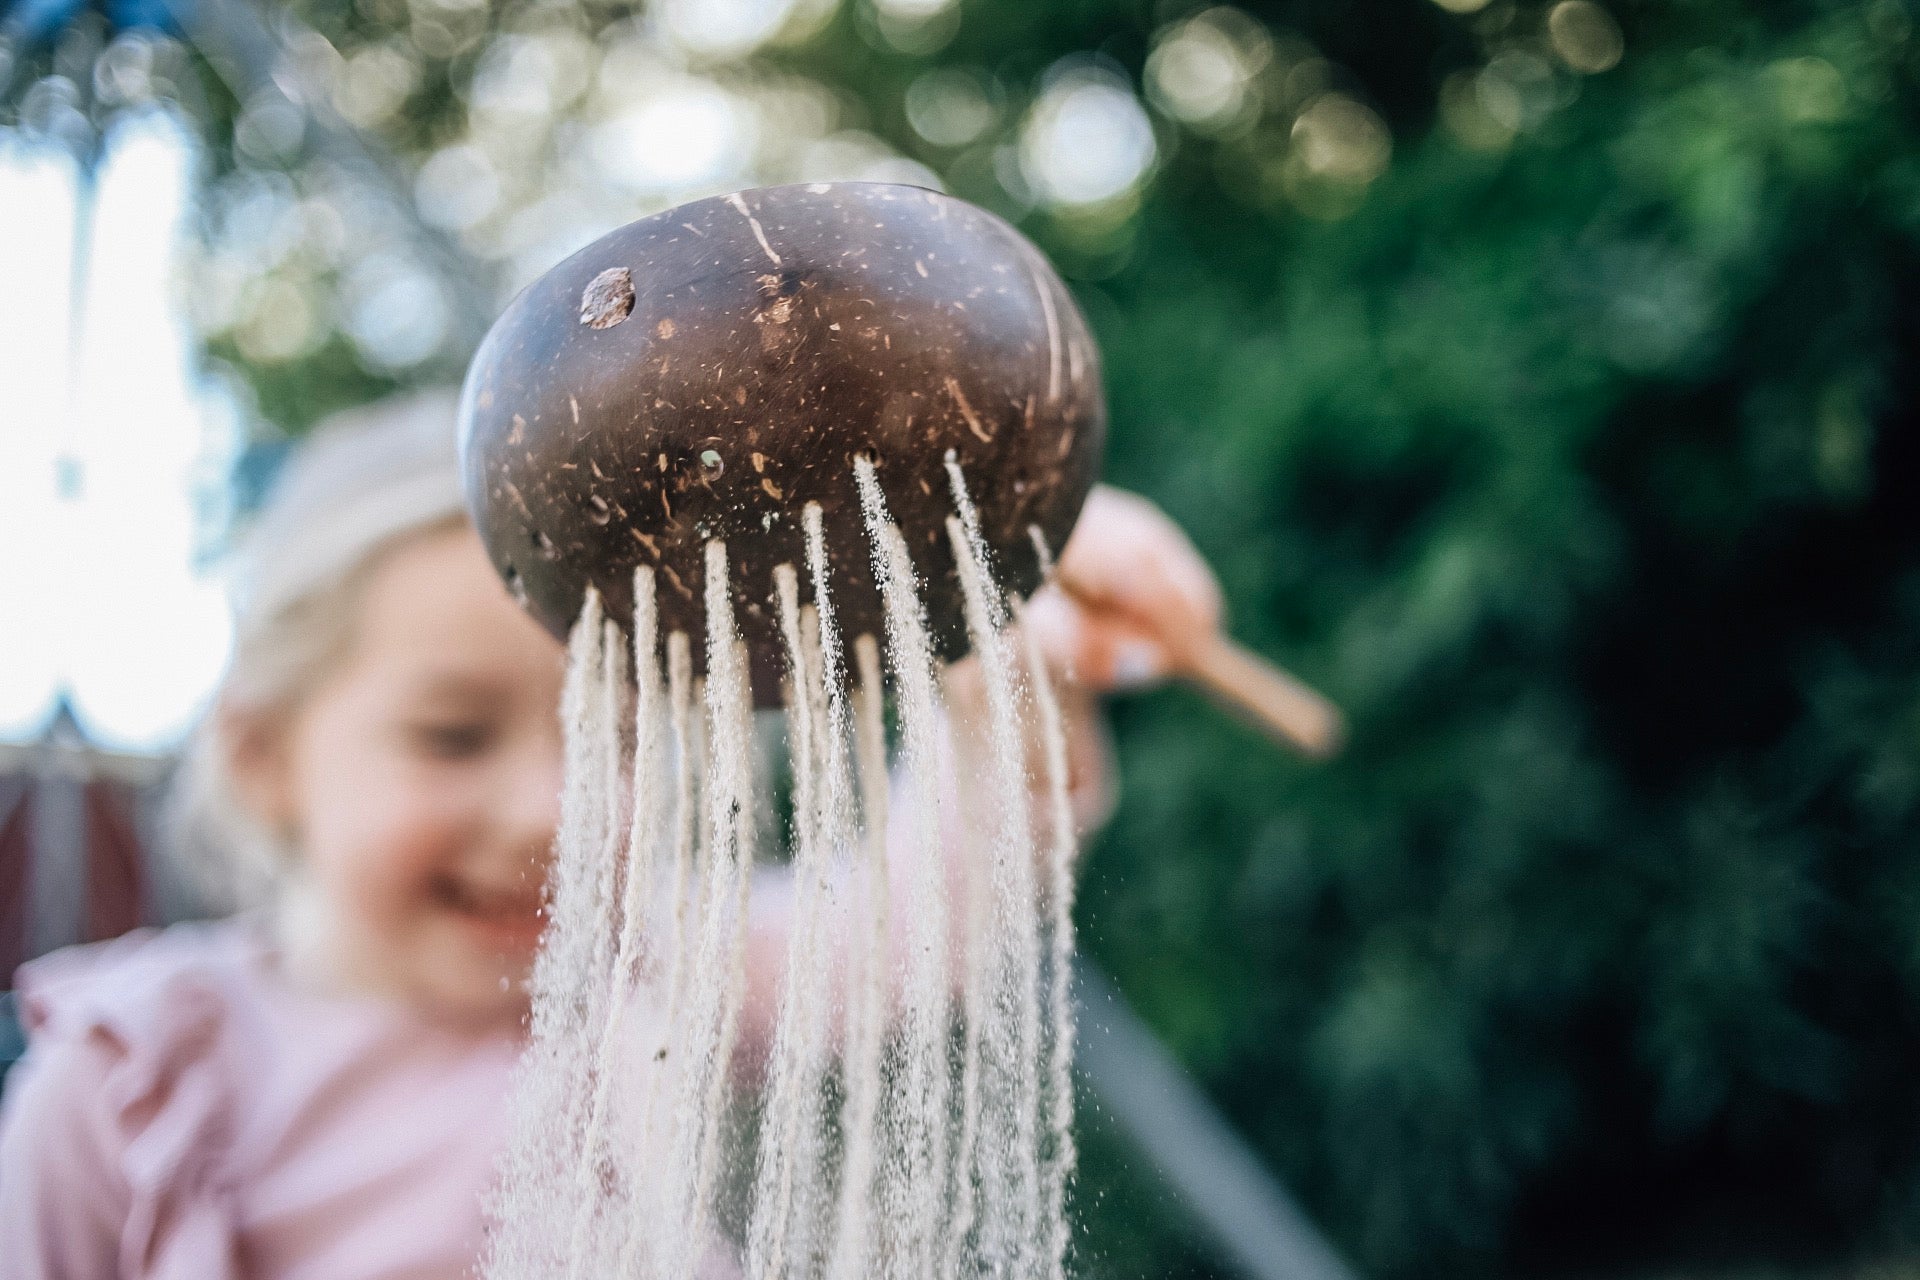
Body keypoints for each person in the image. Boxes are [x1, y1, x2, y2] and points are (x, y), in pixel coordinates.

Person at [0, 390, 1224, 1279]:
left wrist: (1006, 624)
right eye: (452, 735)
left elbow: (915, 916)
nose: (553, 812)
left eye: (622, 742)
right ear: (265, 753)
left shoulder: (654, 977)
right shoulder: (133, 1083)